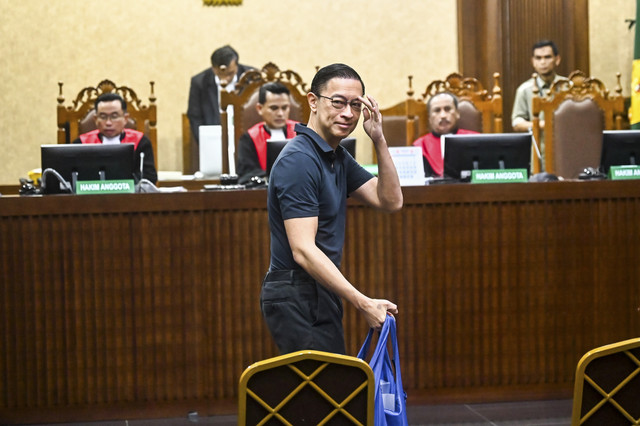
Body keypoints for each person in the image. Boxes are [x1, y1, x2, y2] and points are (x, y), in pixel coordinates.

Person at [261, 63, 403, 355]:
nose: (348, 113)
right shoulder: (299, 159)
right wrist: (362, 301)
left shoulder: (334, 155)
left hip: (317, 290)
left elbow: (390, 201)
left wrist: (379, 139)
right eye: (338, 102)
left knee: (325, 394)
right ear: (313, 101)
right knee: (322, 393)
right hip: (296, 292)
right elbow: (303, 250)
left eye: (355, 104)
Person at [73, 92, 157, 183]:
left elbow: (149, 177)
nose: (108, 123)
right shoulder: (81, 143)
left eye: (114, 116)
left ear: (125, 118)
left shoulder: (140, 142)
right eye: (103, 116)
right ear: (95, 119)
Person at [187, 45, 254, 144]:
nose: (225, 79)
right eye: (220, 74)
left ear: (237, 66)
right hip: (213, 138)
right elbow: (195, 116)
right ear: (213, 68)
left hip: (245, 136)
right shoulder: (200, 82)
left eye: (230, 73)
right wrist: (205, 141)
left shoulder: (251, 77)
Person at [236, 82, 298, 183]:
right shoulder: (249, 138)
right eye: (274, 108)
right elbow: (247, 173)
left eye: (284, 107)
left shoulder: (302, 132)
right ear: (260, 108)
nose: (280, 114)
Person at [412, 92, 478, 177]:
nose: (443, 115)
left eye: (447, 109)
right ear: (429, 118)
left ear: (457, 113)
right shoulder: (420, 146)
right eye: (437, 110)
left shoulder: (474, 139)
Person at [511, 39, 564, 133]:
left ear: (557, 59)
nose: (543, 62)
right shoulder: (524, 89)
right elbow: (516, 122)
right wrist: (541, 124)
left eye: (547, 57)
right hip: (538, 144)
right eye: (538, 58)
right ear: (533, 62)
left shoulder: (568, 86)